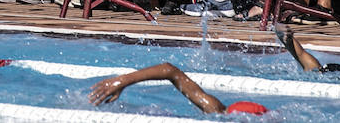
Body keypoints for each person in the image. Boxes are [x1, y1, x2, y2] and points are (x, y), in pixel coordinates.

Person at [89, 62, 267, 116]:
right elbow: (169, 70)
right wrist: (121, 81)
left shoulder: (216, 110)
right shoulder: (216, 111)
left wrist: (122, 81)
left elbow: (170, 71)